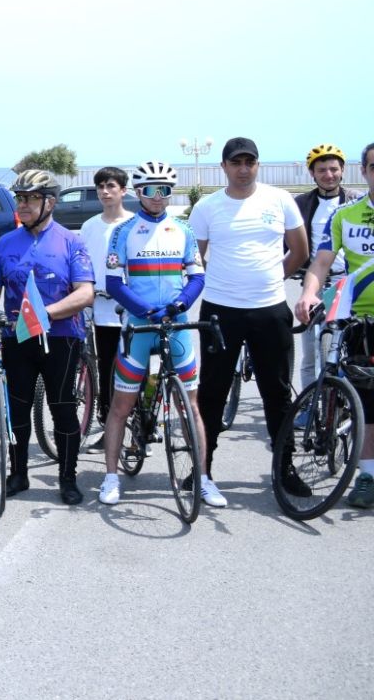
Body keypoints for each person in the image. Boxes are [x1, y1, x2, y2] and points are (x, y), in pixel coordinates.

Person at [187, 137, 308, 495]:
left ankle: (284, 468)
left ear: (257, 165)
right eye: (236, 162)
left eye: (249, 162)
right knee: (212, 393)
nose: (243, 169)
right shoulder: (207, 207)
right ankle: (202, 469)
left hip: (270, 309)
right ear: (223, 167)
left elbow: (299, 251)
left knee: (277, 392)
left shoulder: (279, 199)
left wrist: (269, 279)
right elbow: (195, 259)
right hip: (220, 311)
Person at [97, 161, 218, 506]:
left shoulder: (183, 230)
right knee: (121, 406)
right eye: (151, 190)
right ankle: (110, 478)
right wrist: (146, 310)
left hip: (175, 325)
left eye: (165, 190)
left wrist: (180, 304)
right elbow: (114, 283)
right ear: (138, 192)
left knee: (190, 406)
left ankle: (204, 478)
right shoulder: (123, 232)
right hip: (139, 326)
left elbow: (197, 276)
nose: (158, 196)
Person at [0, 170, 95, 505]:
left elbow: (85, 293)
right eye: (20, 198)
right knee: (17, 409)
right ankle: (18, 473)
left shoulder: (71, 241)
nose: (23, 205)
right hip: (18, 336)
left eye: (30, 198)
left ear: (50, 202)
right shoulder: (6, 243)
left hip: (61, 337)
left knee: (63, 409)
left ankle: (68, 478)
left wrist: (46, 313)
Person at [295, 141, 374, 508]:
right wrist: (309, 294)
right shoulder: (346, 215)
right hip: (360, 318)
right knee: (367, 402)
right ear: (365, 171)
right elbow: (322, 262)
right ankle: (368, 477)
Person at [293, 144, 357, 392]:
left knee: (349, 348)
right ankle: (307, 405)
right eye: (322, 170)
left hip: (345, 283)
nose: (329, 175)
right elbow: (288, 241)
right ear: (312, 173)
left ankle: (344, 400)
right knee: (310, 352)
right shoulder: (302, 203)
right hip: (314, 283)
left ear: (343, 170)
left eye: (333, 169)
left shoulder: (355, 200)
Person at [78, 166, 135, 442]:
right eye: (101, 186)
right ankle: (108, 428)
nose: (105, 191)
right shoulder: (89, 226)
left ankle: (137, 429)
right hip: (99, 309)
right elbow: (82, 265)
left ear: (123, 190)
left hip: (130, 308)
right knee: (104, 369)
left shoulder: (134, 223)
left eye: (111, 186)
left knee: (133, 370)